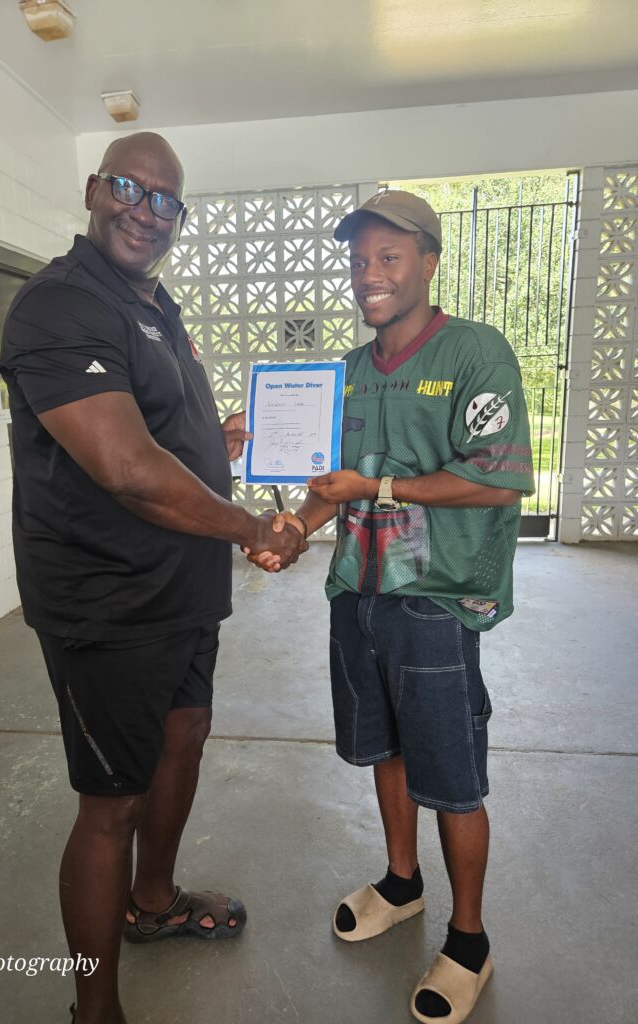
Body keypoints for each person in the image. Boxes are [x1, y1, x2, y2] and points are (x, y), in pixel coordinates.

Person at [0, 132, 305, 1024]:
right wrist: (252, 526)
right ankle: (95, 1010)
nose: (145, 209)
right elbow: (128, 465)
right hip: (108, 603)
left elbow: (169, 428)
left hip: (180, 595)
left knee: (185, 737)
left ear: (180, 217)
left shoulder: (155, 306)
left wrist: (234, 436)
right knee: (110, 803)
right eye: (130, 188)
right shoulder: (58, 304)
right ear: (96, 190)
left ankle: (155, 903)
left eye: (165, 199)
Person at [249, 190, 534, 1023]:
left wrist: (375, 484)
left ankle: (470, 939)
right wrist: (296, 529)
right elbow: (326, 487)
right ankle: (403, 882)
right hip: (359, 598)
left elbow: (497, 478)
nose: (368, 275)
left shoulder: (477, 353)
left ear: (429, 262)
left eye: (389, 258)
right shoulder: (343, 371)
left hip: (436, 604)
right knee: (387, 751)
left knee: (453, 778)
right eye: (359, 260)